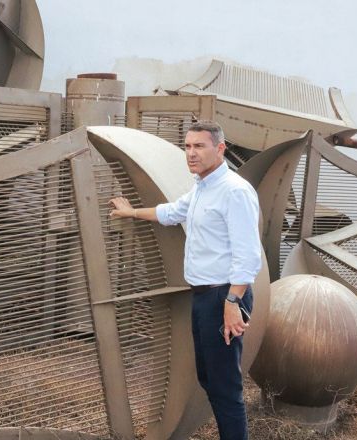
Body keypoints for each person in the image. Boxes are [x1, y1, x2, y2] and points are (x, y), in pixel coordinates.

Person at [109, 120, 261, 439]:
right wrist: (131, 212)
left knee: (225, 386)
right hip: (205, 297)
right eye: (188, 146)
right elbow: (172, 212)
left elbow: (248, 256)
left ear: (220, 149)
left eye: (199, 146)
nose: (191, 153)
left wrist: (232, 302)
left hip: (225, 297)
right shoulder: (202, 187)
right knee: (209, 378)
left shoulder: (234, 191)